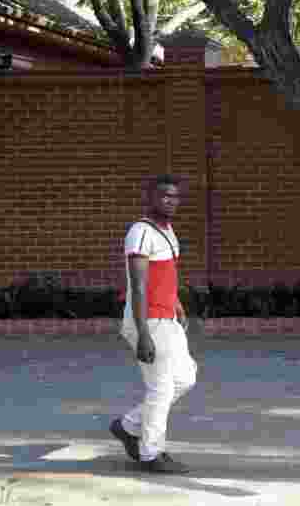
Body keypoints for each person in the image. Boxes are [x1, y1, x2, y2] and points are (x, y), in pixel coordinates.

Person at [109, 174, 197, 474]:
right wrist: (143, 332)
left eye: (175, 196)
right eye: (164, 196)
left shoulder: (168, 231)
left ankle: (129, 425)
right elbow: (139, 284)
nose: (170, 201)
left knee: (185, 379)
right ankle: (151, 454)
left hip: (168, 317)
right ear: (150, 198)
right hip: (149, 321)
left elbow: (166, 275)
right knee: (160, 388)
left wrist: (178, 304)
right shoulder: (141, 232)